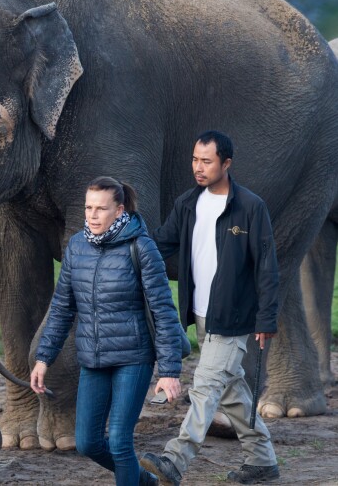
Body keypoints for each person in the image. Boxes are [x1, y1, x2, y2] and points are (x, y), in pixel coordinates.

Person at [140, 130, 280, 485]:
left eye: (206, 161)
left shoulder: (250, 207)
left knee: (203, 386)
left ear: (226, 163)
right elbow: (161, 241)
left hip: (234, 318)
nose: (198, 168)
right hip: (201, 314)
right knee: (232, 391)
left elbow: (266, 266)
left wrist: (265, 317)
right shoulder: (188, 203)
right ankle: (262, 461)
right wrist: (126, 238)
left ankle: (175, 459)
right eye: (194, 160)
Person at [31, 176, 184, 486]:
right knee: (87, 442)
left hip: (134, 358)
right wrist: (44, 358)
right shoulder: (76, 246)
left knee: (118, 441)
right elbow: (62, 307)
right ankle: (144, 481)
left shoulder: (142, 248)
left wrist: (169, 370)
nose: (93, 215)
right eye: (89, 208)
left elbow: (163, 311)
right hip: (93, 359)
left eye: (101, 209)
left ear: (119, 210)